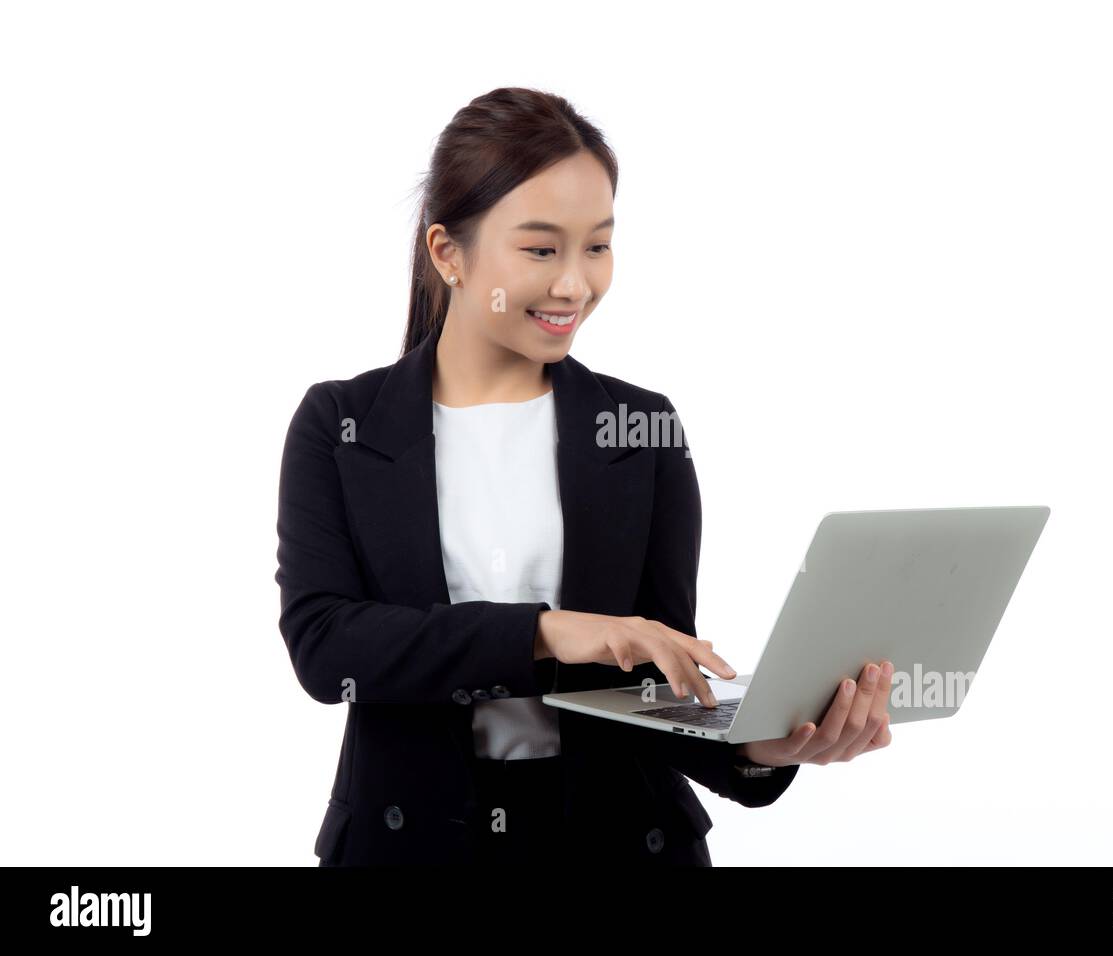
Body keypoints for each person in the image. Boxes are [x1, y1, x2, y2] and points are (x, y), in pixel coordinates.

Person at [275, 87, 893, 867]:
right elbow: (328, 649)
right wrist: (550, 629)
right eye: (541, 250)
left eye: (596, 246)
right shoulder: (341, 426)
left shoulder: (642, 430)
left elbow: (650, 691)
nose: (575, 285)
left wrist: (762, 745)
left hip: (620, 844)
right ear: (447, 252)